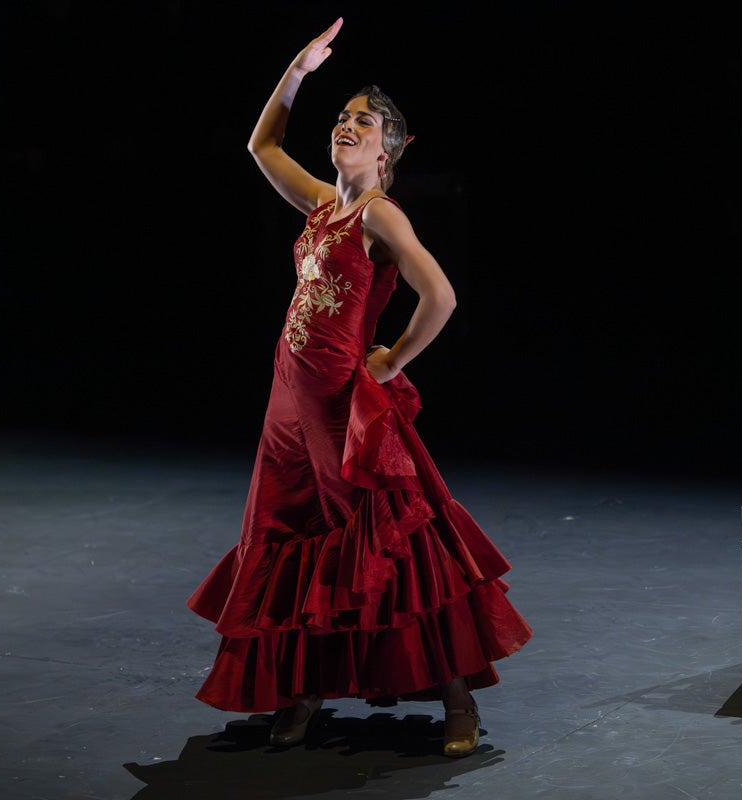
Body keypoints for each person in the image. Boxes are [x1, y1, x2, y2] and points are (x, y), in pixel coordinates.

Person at [186, 15, 533, 758]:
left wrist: (392, 361)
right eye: (342, 119)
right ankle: (303, 693)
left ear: (390, 149)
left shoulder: (378, 213)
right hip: (289, 407)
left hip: (345, 411)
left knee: (392, 553)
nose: (347, 127)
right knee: (293, 542)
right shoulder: (321, 202)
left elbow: (439, 296)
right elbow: (261, 145)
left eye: (363, 123)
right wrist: (298, 72)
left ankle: (458, 701)